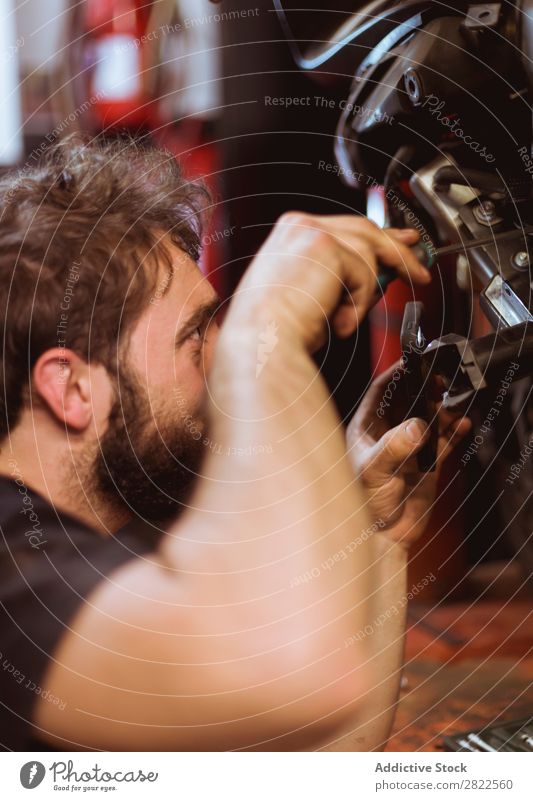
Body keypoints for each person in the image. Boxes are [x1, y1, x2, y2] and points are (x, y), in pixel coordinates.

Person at [0, 134, 469, 752]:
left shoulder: (96, 556)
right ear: (72, 389)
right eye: (196, 337)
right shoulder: (15, 582)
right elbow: (298, 674)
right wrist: (262, 331)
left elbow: (316, 763)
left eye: (221, 329)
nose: (219, 359)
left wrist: (372, 530)